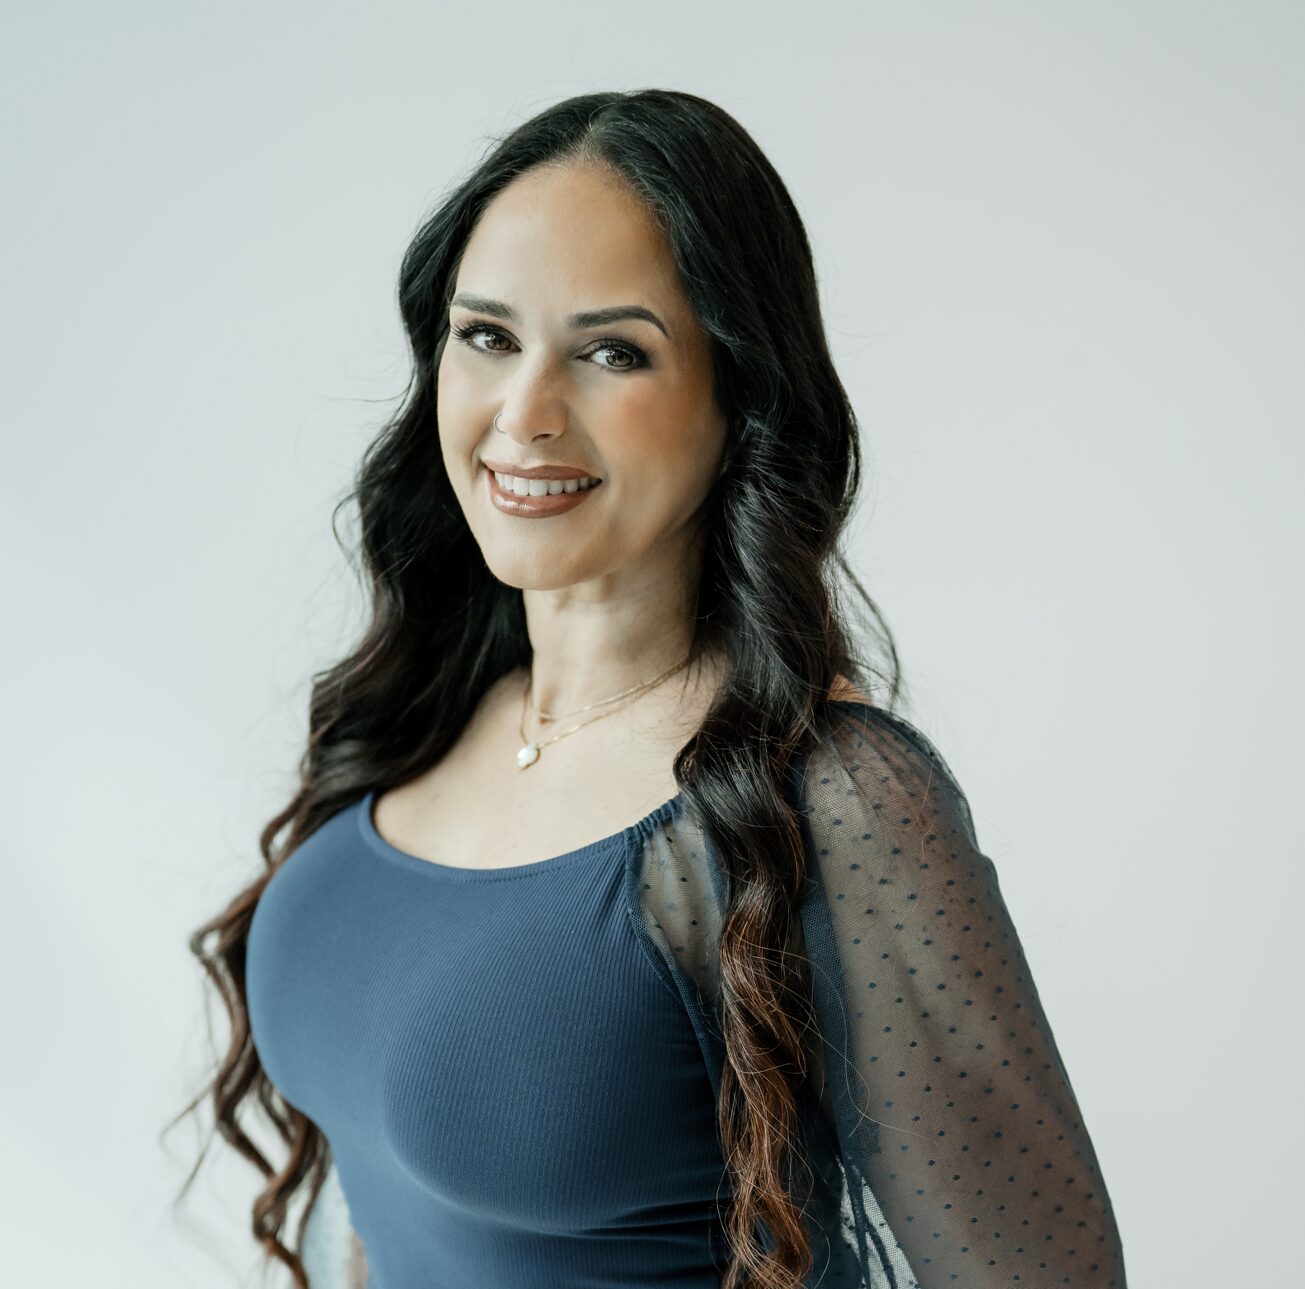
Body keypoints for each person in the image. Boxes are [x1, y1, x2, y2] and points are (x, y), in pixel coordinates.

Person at [175, 89, 1127, 1289]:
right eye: (488, 335)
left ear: (739, 399)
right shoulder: (420, 711)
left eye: (612, 352)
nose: (524, 415)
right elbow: (382, 1202)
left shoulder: (833, 800)